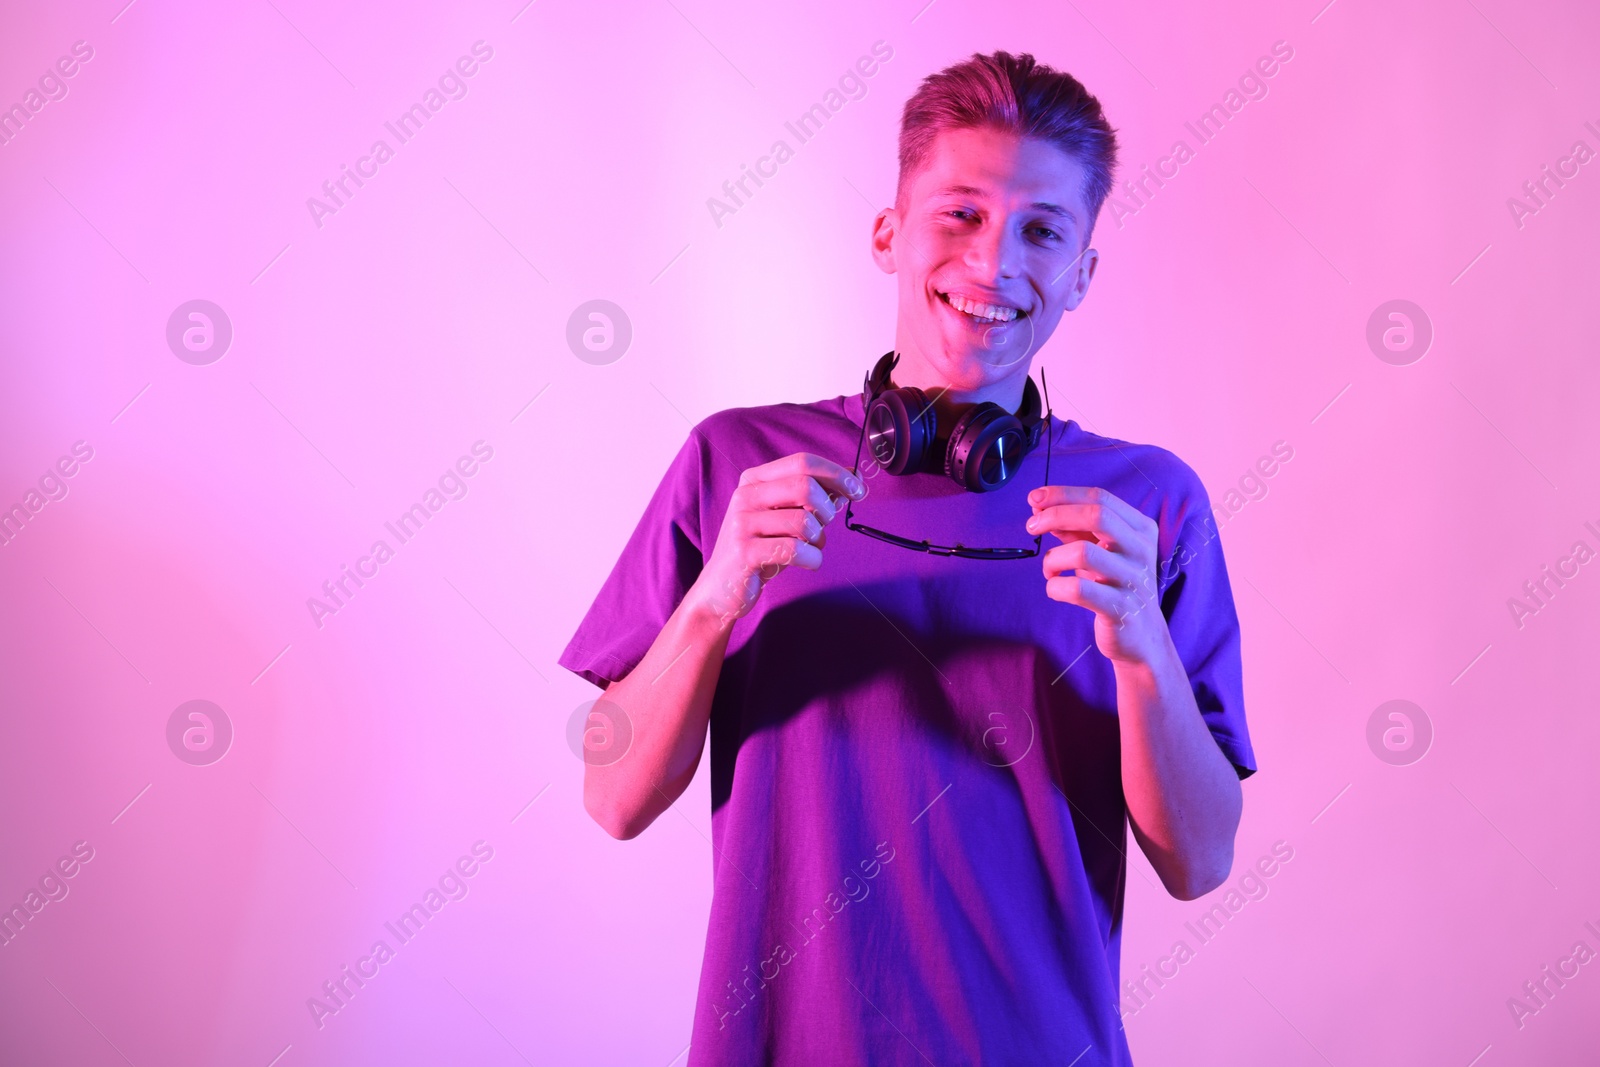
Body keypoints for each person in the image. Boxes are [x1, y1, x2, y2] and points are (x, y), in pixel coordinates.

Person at [560, 50, 1255, 1067]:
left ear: (1082, 272)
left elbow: (1198, 860)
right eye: (960, 213)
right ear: (888, 233)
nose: (993, 264)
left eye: (1042, 231)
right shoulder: (737, 463)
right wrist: (713, 601)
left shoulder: (1145, 508)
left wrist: (1144, 647)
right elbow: (613, 797)